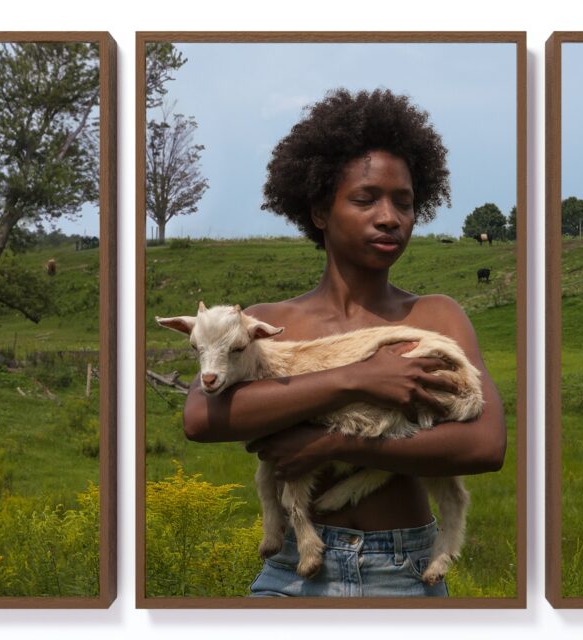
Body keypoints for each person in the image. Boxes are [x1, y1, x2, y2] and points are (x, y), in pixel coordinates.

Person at [181, 88, 506, 597]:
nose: (390, 217)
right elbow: (201, 418)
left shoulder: (434, 315)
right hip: (291, 572)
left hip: (403, 576)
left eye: (405, 202)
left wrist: (334, 443)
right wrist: (357, 378)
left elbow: (485, 445)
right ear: (317, 211)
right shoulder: (266, 323)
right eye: (365, 198)